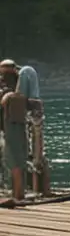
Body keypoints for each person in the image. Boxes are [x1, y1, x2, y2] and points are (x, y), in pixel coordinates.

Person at [0, 61, 46, 197]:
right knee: (21, 159)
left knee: (17, 160)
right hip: (15, 125)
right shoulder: (12, 96)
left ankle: (19, 194)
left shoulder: (12, 97)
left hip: (14, 124)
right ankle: (21, 192)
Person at [1, 69, 26, 205]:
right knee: (19, 163)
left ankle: (17, 195)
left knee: (14, 163)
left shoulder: (8, 95)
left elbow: (3, 103)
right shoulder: (21, 95)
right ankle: (19, 193)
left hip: (10, 131)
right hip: (19, 130)